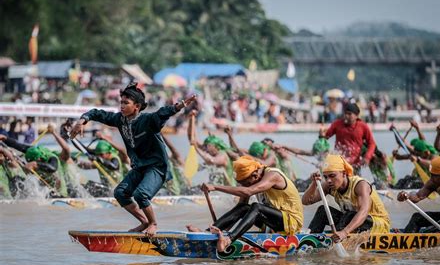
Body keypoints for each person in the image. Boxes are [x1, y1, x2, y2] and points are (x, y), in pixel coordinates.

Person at [70, 82, 196, 235]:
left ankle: (153, 223)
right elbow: (97, 113)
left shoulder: (148, 121)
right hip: (139, 167)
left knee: (140, 194)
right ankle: (143, 222)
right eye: (121, 102)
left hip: (156, 167)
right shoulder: (119, 120)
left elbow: (162, 113)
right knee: (120, 193)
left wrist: (179, 106)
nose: (121, 106)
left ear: (136, 106)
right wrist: (82, 121)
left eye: (126, 103)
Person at [188, 155, 303, 252]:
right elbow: (239, 210)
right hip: (273, 222)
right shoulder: (255, 178)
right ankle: (207, 233)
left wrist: (215, 187)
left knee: (256, 207)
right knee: (243, 207)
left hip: (291, 223)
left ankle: (229, 240)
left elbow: (248, 192)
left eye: (246, 183)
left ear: (255, 175)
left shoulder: (273, 175)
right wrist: (220, 230)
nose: (245, 186)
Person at [302, 154, 390, 242]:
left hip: (378, 224)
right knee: (322, 210)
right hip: (351, 222)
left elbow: (363, 212)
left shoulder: (360, 185)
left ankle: (337, 239)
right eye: (325, 177)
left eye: (332, 176)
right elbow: (306, 201)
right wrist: (313, 184)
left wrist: (345, 232)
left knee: (350, 215)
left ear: (344, 174)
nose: (328, 180)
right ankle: (310, 240)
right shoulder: (329, 186)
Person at [0, 134, 68, 197]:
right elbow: (18, 146)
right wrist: (5, 138)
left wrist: (35, 164)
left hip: (60, 195)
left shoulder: (52, 158)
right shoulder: (35, 151)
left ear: (39, 159)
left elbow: (53, 168)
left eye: (34, 161)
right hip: (46, 193)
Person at [323, 103, 376, 172]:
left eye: (349, 114)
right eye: (345, 113)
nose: (346, 116)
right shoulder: (337, 124)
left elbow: (372, 143)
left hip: (355, 165)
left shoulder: (363, 126)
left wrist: (367, 157)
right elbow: (324, 138)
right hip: (339, 163)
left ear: (356, 116)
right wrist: (322, 135)